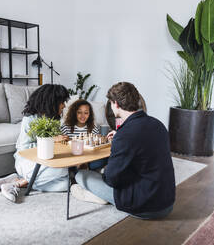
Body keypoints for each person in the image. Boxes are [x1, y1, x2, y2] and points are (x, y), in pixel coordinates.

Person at [71, 82, 176, 219]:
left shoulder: (125, 134)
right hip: (167, 203)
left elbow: (111, 180)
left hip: (145, 207)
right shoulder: (158, 124)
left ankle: (97, 196)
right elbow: (143, 148)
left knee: (81, 175)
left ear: (116, 104)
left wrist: (107, 169)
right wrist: (119, 138)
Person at [0, 84, 70, 202]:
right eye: (62, 102)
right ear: (52, 101)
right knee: (63, 171)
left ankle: (19, 180)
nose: (64, 105)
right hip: (26, 161)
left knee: (66, 184)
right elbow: (24, 149)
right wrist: (49, 141)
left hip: (45, 161)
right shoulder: (30, 119)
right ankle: (16, 184)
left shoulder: (54, 119)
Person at [60, 99, 106, 170]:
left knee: (103, 160)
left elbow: (96, 148)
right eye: (79, 112)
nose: (83, 116)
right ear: (74, 113)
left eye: (86, 113)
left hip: (88, 159)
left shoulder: (93, 128)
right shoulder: (66, 127)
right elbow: (62, 147)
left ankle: (82, 168)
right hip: (72, 160)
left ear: (89, 114)